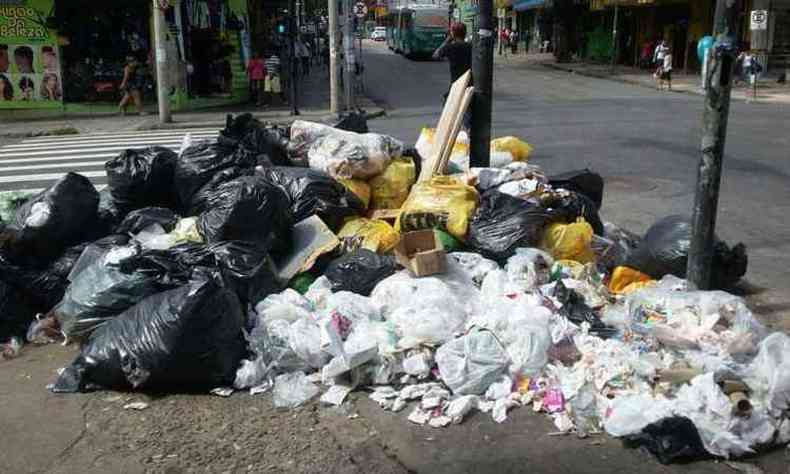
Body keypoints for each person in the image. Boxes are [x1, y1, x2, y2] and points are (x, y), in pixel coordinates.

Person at [433, 22, 473, 129]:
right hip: (470, 82)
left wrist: (447, 40)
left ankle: (453, 129)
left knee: (451, 106)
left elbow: (436, 55)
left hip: (456, 83)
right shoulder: (471, 47)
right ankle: (467, 129)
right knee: (466, 107)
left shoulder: (450, 47)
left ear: (453, 33)